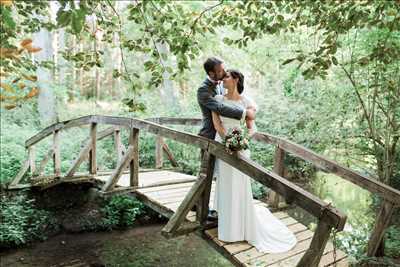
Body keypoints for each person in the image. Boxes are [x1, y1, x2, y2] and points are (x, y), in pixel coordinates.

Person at [211, 69, 297, 253]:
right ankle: (227, 229)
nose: (222, 80)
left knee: (240, 185)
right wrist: (228, 141)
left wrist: (241, 141)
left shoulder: (246, 102)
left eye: (226, 77)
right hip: (223, 145)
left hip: (240, 147)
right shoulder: (217, 101)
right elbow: (217, 125)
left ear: (235, 80)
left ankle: (242, 227)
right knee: (226, 184)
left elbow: (251, 128)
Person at [195, 57, 256, 220]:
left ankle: (227, 209)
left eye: (224, 71)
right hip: (209, 135)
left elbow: (235, 100)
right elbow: (219, 107)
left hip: (225, 136)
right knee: (206, 173)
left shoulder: (221, 87)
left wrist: (249, 108)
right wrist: (244, 113)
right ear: (211, 73)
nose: (223, 74)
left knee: (223, 175)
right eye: (220, 71)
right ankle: (200, 208)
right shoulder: (203, 90)